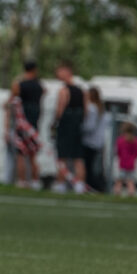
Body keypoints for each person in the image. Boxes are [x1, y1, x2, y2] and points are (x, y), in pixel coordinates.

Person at [8, 59, 44, 188]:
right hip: (34, 123)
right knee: (33, 155)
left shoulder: (20, 85)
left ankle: (22, 181)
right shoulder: (39, 86)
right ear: (35, 70)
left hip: (22, 123)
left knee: (21, 154)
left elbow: (11, 100)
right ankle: (35, 181)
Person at [53, 59, 86, 193]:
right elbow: (85, 110)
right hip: (77, 126)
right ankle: (80, 185)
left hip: (66, 126)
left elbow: (59, 110)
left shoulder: (64, 90)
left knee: (62, 157)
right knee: (78, 157)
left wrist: (55, 123)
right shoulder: (81, 91)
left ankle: (61, 183)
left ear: (67, 71)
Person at [82, 87, 108, 193]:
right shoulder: (101, 108)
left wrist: (80, 128)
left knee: (88, 166)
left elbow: (89, 126)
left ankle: (91, 186)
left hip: (89, 141)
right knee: (96, 166)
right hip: (99, 141)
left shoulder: (92, 108)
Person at [113, 123, 137, 196]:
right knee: (130, 181)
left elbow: (118, 152)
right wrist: (132, 159)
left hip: (123, 164)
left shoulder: (120, 141)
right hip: (131, 164)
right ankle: (130, 194)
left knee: (120, 181)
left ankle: (117, 194)